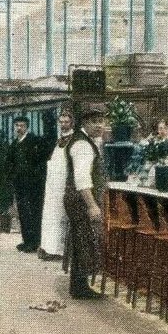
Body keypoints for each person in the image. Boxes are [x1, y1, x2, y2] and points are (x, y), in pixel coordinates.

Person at [61, 109, 107, 300]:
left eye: (102, 121)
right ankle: (79, 288)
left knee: (81, 240)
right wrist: (92, 205)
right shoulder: (82, 145)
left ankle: (79, 285)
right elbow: (82, 178)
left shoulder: (84, 141)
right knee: (82, 241)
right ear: (85, 124)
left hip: (74, 198)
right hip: (80, 199)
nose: (100, 125)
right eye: (95, 121)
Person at [38, 110, 76, 261]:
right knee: (50, 216)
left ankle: (59, 250)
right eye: (61, 122)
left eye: (66, 122)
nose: (63, 125)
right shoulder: (59, 139)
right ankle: (49, 247)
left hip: (63, 184)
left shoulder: (73, 140)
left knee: (61, 217)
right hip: (53, 185)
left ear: (71, 123)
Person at [6, 117, 46, 253]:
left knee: (33, 213)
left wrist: (36, 177)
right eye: (16, 125)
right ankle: (27, 241)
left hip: (33, 185)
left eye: (22, 126)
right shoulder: (15, 143)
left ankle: (35, 242)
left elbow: (42, 161)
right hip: (20, 184)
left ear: (27, 127)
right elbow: (10, 162)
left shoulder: (34, 141)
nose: (19, 128)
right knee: (23, 213)